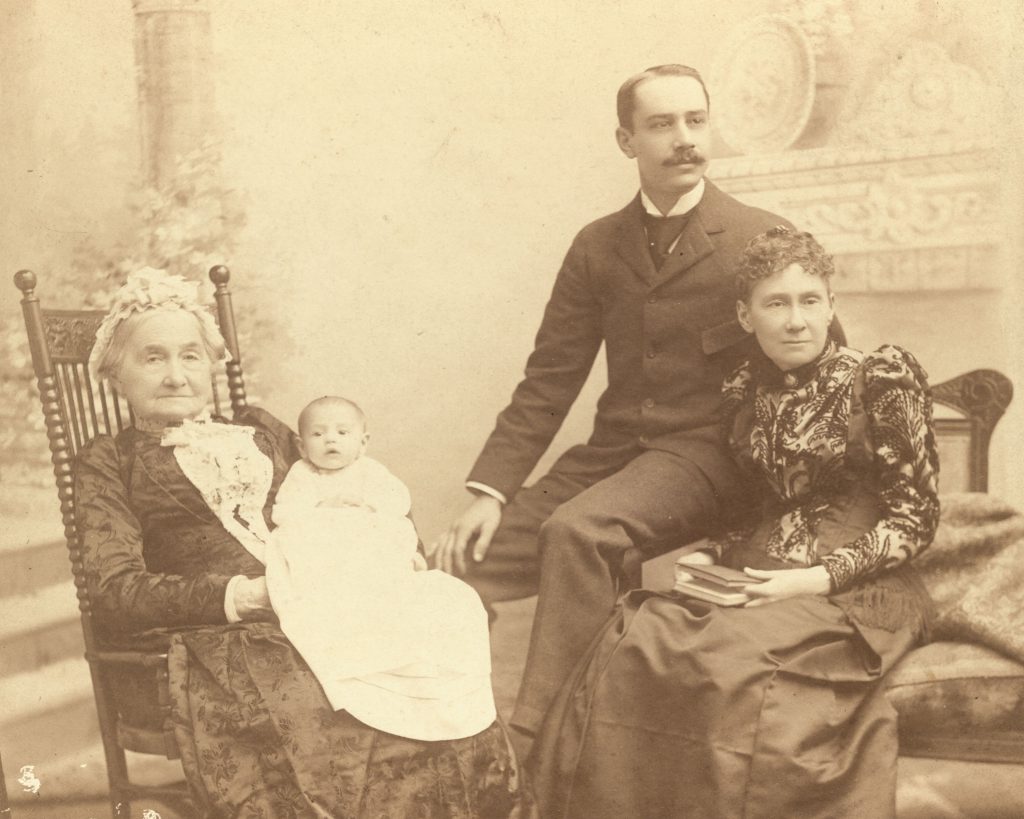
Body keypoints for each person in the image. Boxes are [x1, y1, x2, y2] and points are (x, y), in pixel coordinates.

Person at [433, 64, 835, 739]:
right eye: (662, 124)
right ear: (627, 142)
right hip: (616, 453)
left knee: (578, 531)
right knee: (453, 563)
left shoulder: (758, 239)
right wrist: (492, 491)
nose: (685, 139)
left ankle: (547, 744)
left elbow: (819, 362)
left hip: (711, 458)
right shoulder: (597, 245)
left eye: (696, 120)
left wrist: (798, 491)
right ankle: (452, 728)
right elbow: (551, 376)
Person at [75, 268, 529, 818]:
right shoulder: (110, 463)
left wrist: (387, 549)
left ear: (211, 364)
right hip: (226, 631)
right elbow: (114, 588)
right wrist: (242, 596)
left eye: (191, 356)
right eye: (153, 358)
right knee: (333, 720)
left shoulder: (259, 428)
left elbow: (355, 480)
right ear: (115, 373)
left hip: (328, 603)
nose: (176, 376)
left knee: (431, 656)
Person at [528, 227, 940, 819]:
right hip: (760, 573)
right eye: (776, 304)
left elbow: (916, 516)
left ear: (832, 306)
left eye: (809, 301)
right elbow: (759, 507)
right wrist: (714, 554)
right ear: (746, 317)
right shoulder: (749, 391)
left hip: (854, 590)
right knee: (641, 639)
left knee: (727, 666)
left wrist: (810, 580)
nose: (795, 321)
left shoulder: (880, 377)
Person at [264, 395, 496, 742]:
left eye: (342, 432)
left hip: (365, 546)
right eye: (318, 434)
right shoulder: (302, 475)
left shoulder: (370, 471)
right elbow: (286, 513)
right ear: (300, 444)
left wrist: (367, 506)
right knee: (301, 541)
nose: (331, 440)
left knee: (389, 539)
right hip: (326, 548)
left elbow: (395, 503)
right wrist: (323, 507)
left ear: (362, 442)